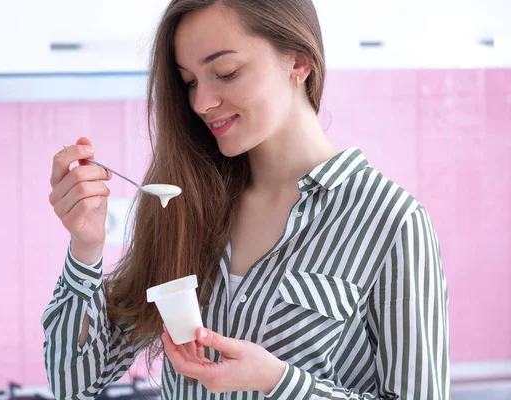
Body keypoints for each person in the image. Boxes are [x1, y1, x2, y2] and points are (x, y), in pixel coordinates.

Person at [42, 0, 450, 399]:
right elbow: (74, 382)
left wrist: (278, 382)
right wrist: (86, 246)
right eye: (190, 82)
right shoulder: (184, 201)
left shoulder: (392, 222)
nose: (201, 103)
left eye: (226, 72)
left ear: (299, 61)